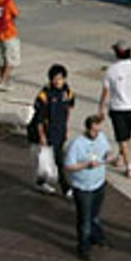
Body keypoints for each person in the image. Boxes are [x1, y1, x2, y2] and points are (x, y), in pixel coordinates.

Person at [65, 115, 112, 259]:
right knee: (85, 219)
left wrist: (109, 156)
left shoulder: (101, 137)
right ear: (87, 129)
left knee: (95, 216)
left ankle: (95, 237)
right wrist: (85, 165)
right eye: (93, 131)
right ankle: (84, 247)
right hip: (83, 187)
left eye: (98, 131)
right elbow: (68, 165)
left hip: (99, 184)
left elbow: (107, 150)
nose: (96, 134)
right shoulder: (76, 144)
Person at [100, 41, 131, 177]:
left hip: (118, 108)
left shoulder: (111, 70)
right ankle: (121, 158)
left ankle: (129, 166)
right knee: (127, 136)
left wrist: (101, 107)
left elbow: (106, 92)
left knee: (122, 138)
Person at [29, 65, 77, 195]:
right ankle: (65, 187)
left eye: (60, 78)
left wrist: (66, 128)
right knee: (57, 160)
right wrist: (42, 136)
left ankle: (41, 181)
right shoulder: (44, 95)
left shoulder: (68, 93)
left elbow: (68, 110)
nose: (58, 81)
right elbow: (38, 119)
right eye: (55, 79)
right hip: (46, 131)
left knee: (48, 160)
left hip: (59, 130)